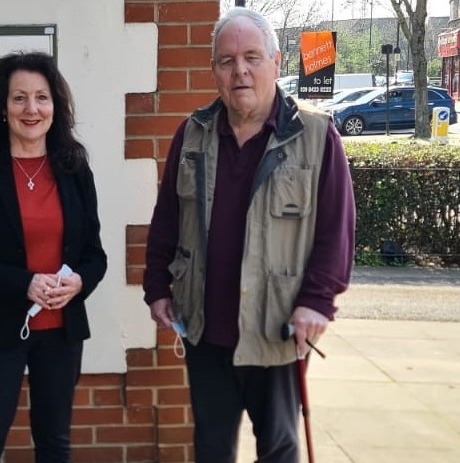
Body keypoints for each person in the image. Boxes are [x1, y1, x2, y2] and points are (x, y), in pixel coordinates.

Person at [143, 7, 355, 463]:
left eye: (252, 57)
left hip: (275, 329)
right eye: (227, 60)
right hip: (205, 327)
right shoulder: (193, 134)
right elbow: (167, 218)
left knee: (278, 449)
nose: (240, 70)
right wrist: (157, 287)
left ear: (277, 64)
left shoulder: (317, 135)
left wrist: (317, 301)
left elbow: (336, 231)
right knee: (212, 449)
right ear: (214, 70)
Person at [0, 52, 107, 463]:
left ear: (55, 107)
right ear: (3, 107)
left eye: (42, 98)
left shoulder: (74, 169)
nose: (32, 109)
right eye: (19, 98)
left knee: (54, 445)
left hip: (61, 333)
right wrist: (23, 284)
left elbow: (94, 255)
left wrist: (80, 281)